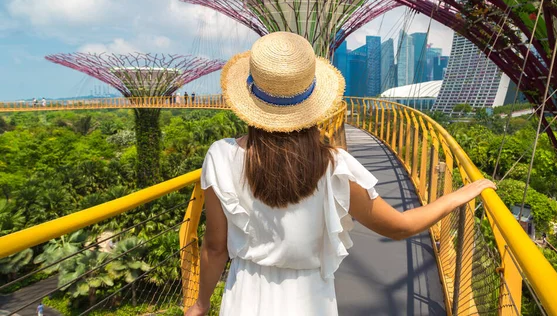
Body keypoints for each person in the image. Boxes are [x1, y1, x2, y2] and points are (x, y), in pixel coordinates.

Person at [184, 32, 496, 316]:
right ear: (312, 101)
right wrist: (457, 196)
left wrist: (201, 303)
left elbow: (215, 246)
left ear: (249, 97)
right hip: (310, 301)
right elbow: (401, 227)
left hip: (245, 297)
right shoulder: (334, 167)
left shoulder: (221, 157)